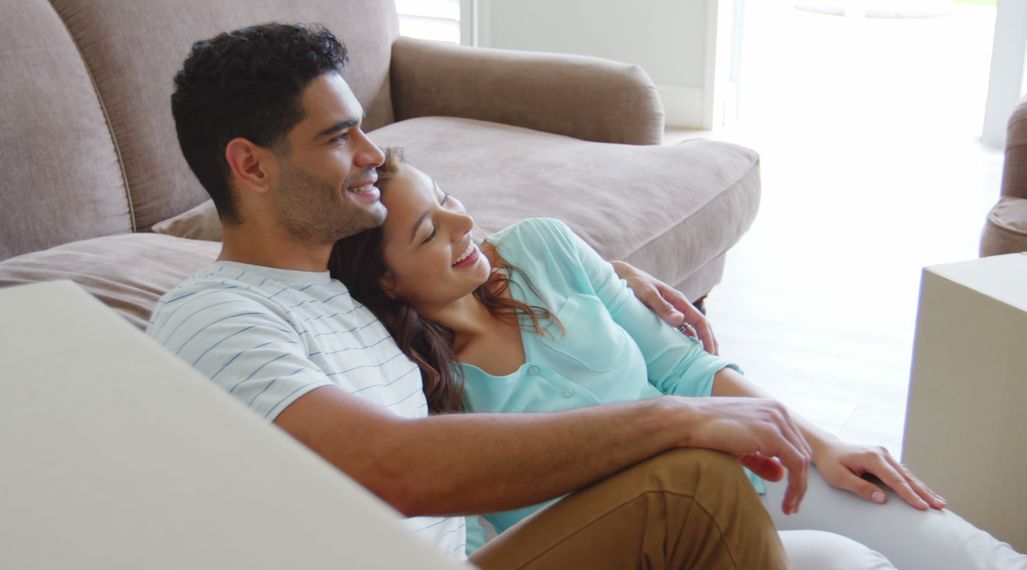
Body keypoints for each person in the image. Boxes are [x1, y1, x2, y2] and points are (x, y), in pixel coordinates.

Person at [150, 21, 820, 569]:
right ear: (249, 165)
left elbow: (453, 250)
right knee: (693, 484)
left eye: (360, 126)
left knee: (750, 511)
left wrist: (610, 272)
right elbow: (393, 467)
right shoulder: (216, 314)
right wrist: (672, 417)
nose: (368, 152)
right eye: (337, 137)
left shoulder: (350, 298)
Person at [325, 149, 1027, 570]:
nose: (462, 222)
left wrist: (824, 443)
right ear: (387, 282)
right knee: (856, 568)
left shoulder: (542, 248)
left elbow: (683, 370)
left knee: (961, 550)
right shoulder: (413, 385)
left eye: (448, 197)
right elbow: (481, 537)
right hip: (659, 543)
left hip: (744, 469)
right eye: (428, 231)